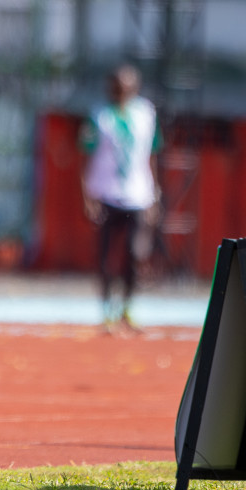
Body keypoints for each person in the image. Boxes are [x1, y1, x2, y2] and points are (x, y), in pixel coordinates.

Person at [80, 64, 161, 331]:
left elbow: (152, 154)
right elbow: (86, 156)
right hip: (106, 192)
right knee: (106, 255)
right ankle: (106, 311)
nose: (119, 89)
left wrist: (155, 194)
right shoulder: (100, 116)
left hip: (138, 193)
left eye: (124, 84)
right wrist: (87, 195)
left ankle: (128, 308)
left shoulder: (146, 114)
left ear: (134, 86)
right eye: (115, 84)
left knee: (136, 253)